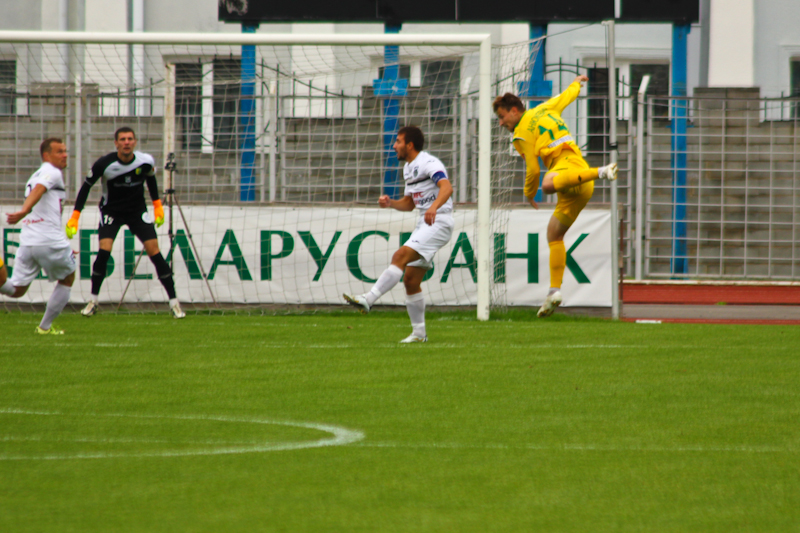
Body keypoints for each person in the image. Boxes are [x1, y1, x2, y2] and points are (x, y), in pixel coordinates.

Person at [493, 75, 618, 317]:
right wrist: (576, 83)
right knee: (554, 234)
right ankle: (554, 291)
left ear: (514, 110)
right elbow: (567, 97)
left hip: (569, 169)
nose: (500, 123)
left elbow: (533, 170)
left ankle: (601, 171)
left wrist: (529, 193)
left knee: (547, 183)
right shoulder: (545, 107)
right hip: (579, 184)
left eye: (501, 116)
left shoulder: (520, 134)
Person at [343, 126, 454, 343]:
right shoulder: (408, 168)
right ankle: (419, 334)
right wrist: (391, 203)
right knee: (411, 279)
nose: (394, 146)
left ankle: (368, 299)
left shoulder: (429, 163)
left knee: (399, 256)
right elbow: (410, 204)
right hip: (425, 222)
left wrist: (434, 207)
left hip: (438, 221)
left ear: (409, 145)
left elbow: (447, 188)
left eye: (398, 141)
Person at [65, 127, 185, 318]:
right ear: (116, 143)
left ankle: (174, 303)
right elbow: (86, 188)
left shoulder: (145, 161)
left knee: (154, 251)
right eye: (122, 139)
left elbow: (151, 180)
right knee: (104, 250)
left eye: (130, 139)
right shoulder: (104, 164)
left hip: (137, 212)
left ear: (135, 142)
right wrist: (75, 216)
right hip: (111, 211)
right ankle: (93, 301)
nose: (126, 142)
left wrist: (157, 205)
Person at [1, 138, 76, 334]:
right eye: (59, 151)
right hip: (48, 240)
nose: (65, 155)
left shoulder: (34, 175)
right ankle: (45, 327)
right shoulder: (52, 172)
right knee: (68, 278)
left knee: (16, 290)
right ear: (46, 155)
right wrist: (24, 211)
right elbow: (40, 189)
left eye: (65, 151)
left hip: (28, 241)